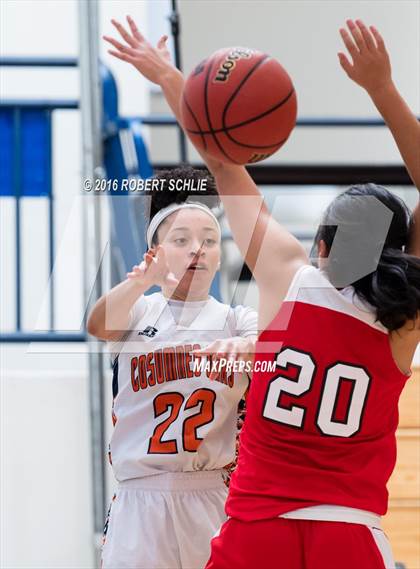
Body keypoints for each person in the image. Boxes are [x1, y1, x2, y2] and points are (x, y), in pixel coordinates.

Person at [106, 16, 420, 569]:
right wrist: (383, 89)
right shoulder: (404, 318)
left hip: (255, 529)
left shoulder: (285, 274)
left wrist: (171, 77)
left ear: (322, 243)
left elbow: (219, 157)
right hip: (346, 533)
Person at [87, 166, 257, 569]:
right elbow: (97, 324)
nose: (197, 249)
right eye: (181, 241)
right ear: (156, 252)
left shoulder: (237, 319)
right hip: (140, 496)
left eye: (209, 241)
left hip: (213, 492)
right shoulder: (139, 309)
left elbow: (279, 346)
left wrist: (248, 346)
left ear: (219, 257)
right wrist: (138, 281)